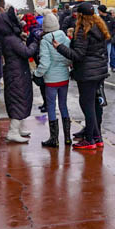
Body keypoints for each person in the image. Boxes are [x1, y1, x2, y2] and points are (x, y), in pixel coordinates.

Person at [54, 2, 110, 150]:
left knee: (87, 105)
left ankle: (90, 140)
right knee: (96, 104)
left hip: (87, 73)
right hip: (99, 71)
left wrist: (59, 47)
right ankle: (97, 137)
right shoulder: (100, 27)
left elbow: (78, 55)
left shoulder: (83, 31)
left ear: (80, 16)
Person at [0, 7, 39, 143]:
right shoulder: (11, 39)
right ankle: (13, 131)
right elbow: (26, 52)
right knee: (18, 99)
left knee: (21, 98)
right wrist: (35, 42)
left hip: (15, 71)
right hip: (17, 73)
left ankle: (18, 128)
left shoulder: (8, 37)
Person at [35, 9, 73, 148]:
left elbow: (44, 63)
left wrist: (37, 74)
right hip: (64, 76)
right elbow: (69, 56)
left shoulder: (45, 40)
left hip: (51, 79)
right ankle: (67, 138)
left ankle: (54, 138)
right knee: (63, 105)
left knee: (51, 106)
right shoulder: (63, 36)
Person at [99, 4, 115, 73]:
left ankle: (111, 66)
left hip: (109, 39)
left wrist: (110, 35)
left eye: (99, 10)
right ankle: (105, 67)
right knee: (105, 54)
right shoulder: (98, 19)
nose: (98, 12)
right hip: (101, 40)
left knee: (111, 54)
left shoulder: (110, 18)